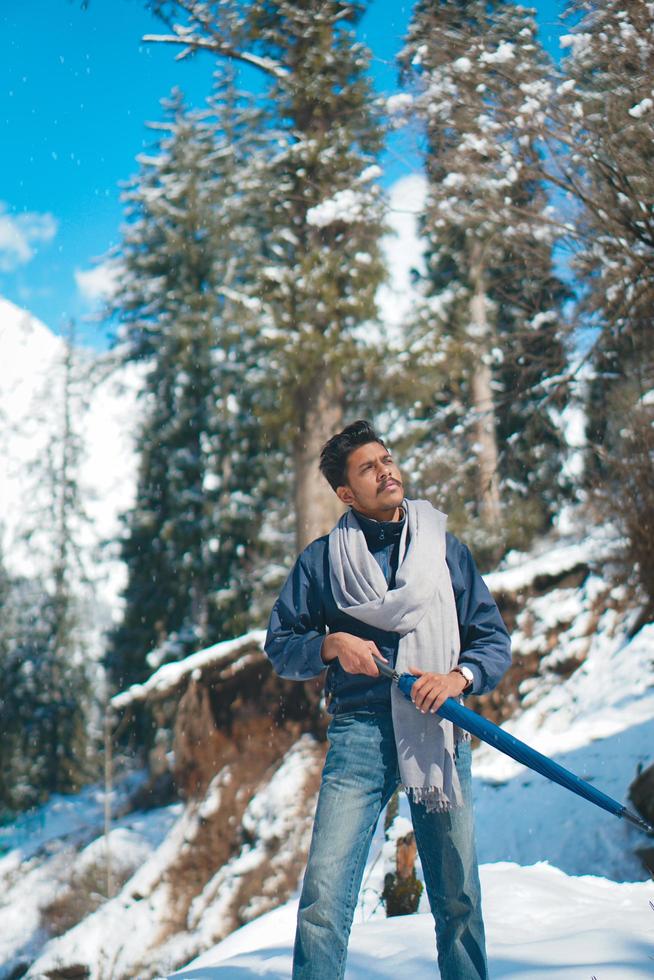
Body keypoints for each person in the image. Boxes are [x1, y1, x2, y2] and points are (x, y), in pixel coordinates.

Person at [265, 420, 511, 980]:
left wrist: (458, 678)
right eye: (368, 468)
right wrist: (330, 643)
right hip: (360, 733)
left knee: (459, 898)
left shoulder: (444, 551)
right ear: (345, 493)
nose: (387, 471)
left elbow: (491, 640)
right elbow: (281, 646)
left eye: (388, 459)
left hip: (437, 726)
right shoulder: (323, 561)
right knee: (324, 901)